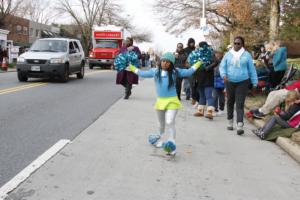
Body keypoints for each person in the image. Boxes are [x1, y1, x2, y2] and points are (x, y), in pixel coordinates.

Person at [127, 52, 202, 156]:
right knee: (161, 124)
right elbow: (141, 73)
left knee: (170, 121)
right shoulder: (155, 71)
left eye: (168, 62)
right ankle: (159, 139)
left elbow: (189, 72)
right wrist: (130, 66)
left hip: (172, 101)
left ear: (171, 63)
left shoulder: (176, 72)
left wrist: (199, 62)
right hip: (160, 101)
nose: (165, 63)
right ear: (160, 61)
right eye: (163, 61)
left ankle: (172, 144)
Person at [219, 36, 258, 135]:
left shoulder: (247, 55)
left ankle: (240, 125)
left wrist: (255, 83)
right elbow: (222, 66)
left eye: (238, 43)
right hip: (230, 81)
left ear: (242, 44)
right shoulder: (228, 54)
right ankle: (230, 121)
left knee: (240, 104)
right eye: (235, 43)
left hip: (243, 82)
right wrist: (223, 75)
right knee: (230, 102)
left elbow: (252, 70)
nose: (236, 45)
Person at [193, 41, 216, 119]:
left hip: (208, 77)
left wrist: (207, 68)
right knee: (202, 95)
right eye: (200, 46)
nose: (201, 47)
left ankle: (210, 112)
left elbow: (216, 62)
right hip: (199, 77)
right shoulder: (196, 53)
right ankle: (200, 111)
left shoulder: (211, 52)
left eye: (202, 46)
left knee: (208, 95)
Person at [184, 38, 196, 103]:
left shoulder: (195, 49)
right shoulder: (185, 50)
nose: (192, 44)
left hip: (193, 68)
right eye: (191, 43)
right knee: (187, 83)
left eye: (193, 43)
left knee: (192, 83)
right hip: (186, 67)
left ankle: (192, 95)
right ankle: (187, 94)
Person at [212, 51, 225, 116]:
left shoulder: (223, 61)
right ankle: (215, 109)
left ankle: (221, 109)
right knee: (214, 95)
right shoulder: (213, 62)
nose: (217, 56)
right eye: (216, 55)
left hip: (221, 80)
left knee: (221, 95)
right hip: (214, 80)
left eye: (218, 55)